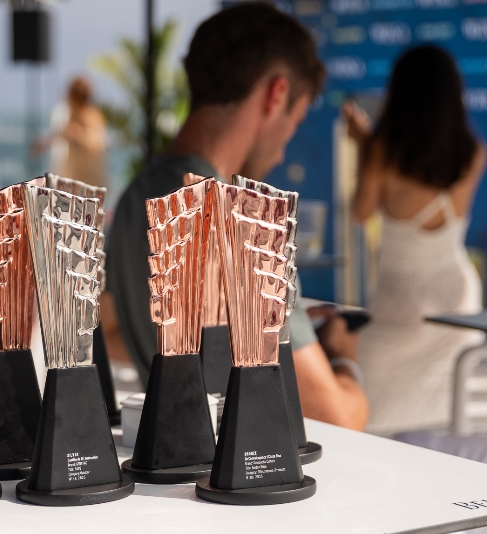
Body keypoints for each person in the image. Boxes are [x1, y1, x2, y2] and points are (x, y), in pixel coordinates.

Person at [104, 3, 369, 430]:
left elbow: (112, 332)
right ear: (276, 94)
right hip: (243, 454)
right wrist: (343, 359)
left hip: (165, 445)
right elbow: (334, 415)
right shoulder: (245, 222)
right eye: (295, 121)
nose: (282, 152)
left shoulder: (137, 198)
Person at [342, 46, 487, 436]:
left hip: (401, 302)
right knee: (448, 413)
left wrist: (365, 145)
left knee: (372, 410)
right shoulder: (474, 152)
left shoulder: (385, 151)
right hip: (456, 298)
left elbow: (361, 212)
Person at [33, 76, 107, 188]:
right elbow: (61, 133)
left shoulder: (90, 118)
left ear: (72, 97)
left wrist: (78, 135)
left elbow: (96, 144)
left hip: (87, 185)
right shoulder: (77, 117)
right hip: (81, 185)